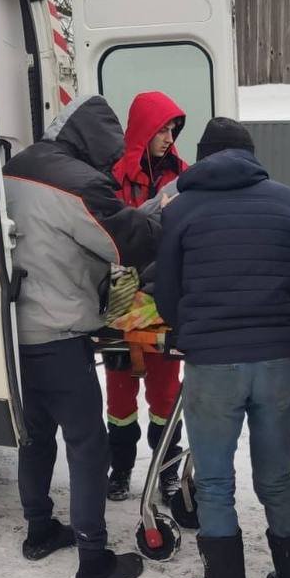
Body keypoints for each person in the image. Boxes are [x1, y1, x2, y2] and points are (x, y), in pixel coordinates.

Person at [154, 118, 290, 578]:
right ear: (250, 154)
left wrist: (194, 327)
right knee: (275, 477)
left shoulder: (181, 209)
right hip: (275, 361)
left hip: (212, 363)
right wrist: (279, 327)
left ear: (203, 157)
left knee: (216, 482)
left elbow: (166, 292)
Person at [3, 95, 161, 578]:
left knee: (34, 436)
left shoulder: (15, 167)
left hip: (11, 333)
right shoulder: (81, 184)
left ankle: (39, 530)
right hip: (59, 335)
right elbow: (125, 243)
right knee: (88, 446)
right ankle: (94, 560)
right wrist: (162, 211)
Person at [105, 91, 188, 501]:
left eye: (174, 128)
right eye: (162, 128)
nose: (169, 136)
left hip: (163, 299)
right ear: (143, 128)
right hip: (121, 301)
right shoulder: (113, 175)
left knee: (166, 394)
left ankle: (167, 471)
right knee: (119, 398)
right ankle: (120, 469)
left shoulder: (185, 176)